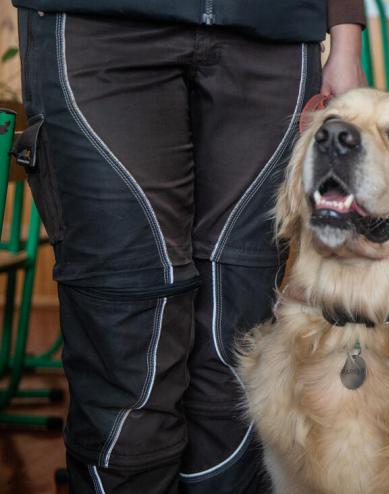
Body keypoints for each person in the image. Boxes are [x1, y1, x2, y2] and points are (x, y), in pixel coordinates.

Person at [11, 1, 366, 492]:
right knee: (128, 340)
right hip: (100, 26)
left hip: (272, 34)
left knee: (236, 334)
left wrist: (346, 38)